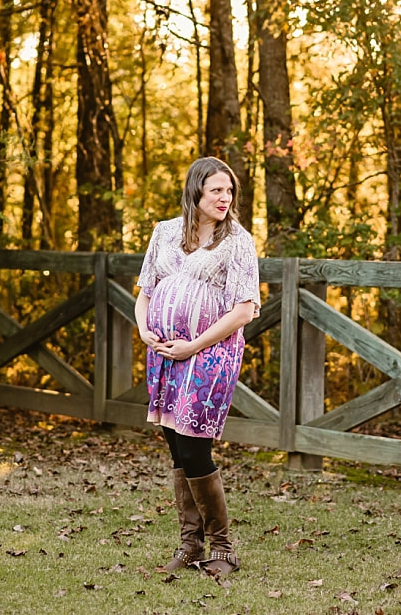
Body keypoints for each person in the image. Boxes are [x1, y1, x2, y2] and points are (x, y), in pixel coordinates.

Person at [134, 156, 260, 578]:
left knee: (193, 444)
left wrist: (194, 346)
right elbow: (145, 292)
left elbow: (244, 310)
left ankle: (224, 550)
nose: (225, 198)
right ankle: (190, 545)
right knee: (175, 444)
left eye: (230, 191)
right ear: (195, 192)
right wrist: (144, 330)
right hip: (166, 352)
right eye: (216, 190)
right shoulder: (165, 232)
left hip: (211, 352)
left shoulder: (238, 241)